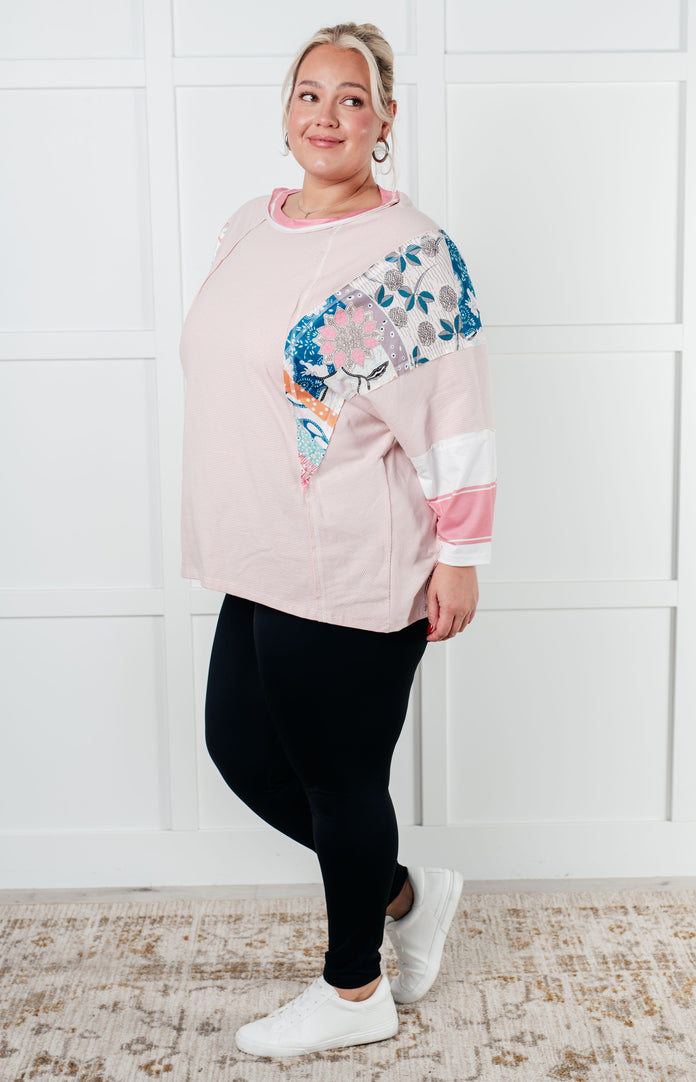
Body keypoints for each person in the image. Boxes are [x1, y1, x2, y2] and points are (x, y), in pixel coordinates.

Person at [179, 21, 497, 1059]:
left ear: (384, 119)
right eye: (309, 94)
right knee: (241, 750)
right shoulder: (249, 225)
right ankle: (406, 893)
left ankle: (355, 989)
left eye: (352, 98)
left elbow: (455, 414)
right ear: (286, 114)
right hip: (260, 547)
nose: (327, 115)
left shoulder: (412, 257)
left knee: (338, 780)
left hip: (356, 555)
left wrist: (462, 554)